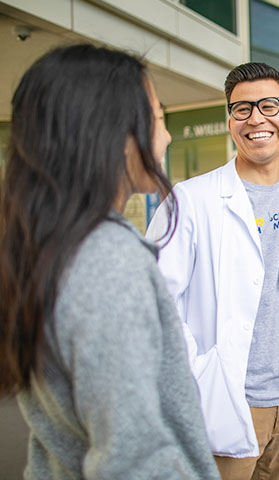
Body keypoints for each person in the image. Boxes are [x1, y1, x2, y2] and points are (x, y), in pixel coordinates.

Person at [0, 44, 219, 479]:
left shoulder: (51, 247)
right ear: (115, 134)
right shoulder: (109, 262)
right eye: (158, 117)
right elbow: (135, 458)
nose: (167, 135)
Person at [146, 62, 279, 480]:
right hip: (226, 401)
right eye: (242, 108)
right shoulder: (190, 201)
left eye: (269, 106)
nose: (256, 119)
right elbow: (153, 305)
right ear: (230, 121)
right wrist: (195, 377)